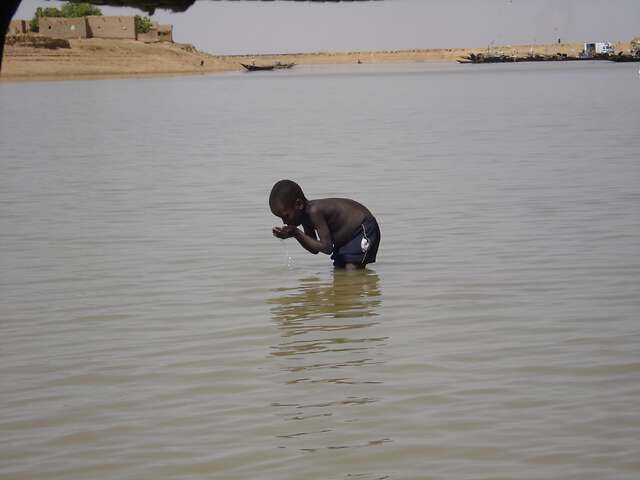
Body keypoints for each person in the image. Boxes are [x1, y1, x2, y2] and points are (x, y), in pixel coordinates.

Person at [269, 179, 380, 268]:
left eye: (286, 216)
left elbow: (327, 248)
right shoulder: (304, 218)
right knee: (340, 271)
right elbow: (314, 249)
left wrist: (296, 232)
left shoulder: (314, 211)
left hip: (362, 229)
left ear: (298, 204)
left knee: (351, 269)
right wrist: (295, 235)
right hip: (346, 240)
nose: (284, 221)